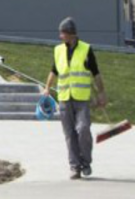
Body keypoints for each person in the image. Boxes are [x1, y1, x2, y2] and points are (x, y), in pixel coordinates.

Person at [42, 17, 108, 180]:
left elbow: (96, 73)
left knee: (83, 129)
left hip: (81, 99)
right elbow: (54, 71)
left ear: (71, 34)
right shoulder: (58, 50)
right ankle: (74, 167)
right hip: (64, 98)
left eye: (62, 33)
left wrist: (101, 93)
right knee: (69, 134)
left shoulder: (86, 49)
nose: (60, 36)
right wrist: (47, 88)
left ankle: (86, 162)